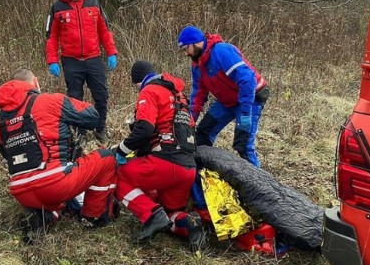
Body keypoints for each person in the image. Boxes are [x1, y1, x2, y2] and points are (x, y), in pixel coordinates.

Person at [0, 68, 118, 243]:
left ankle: (45, 216)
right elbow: (92, 116)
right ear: (35, 82)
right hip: (54, 184)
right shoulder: (48, 101)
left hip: (21, 192)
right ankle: (94, 217)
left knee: (52, 188)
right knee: (106, 158)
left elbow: (5, 153)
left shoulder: (0, 122)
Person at [113, 60, 206, 252]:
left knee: (118, 176)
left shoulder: (149, 91)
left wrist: (121, 151)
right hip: (187, 168)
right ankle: (189, 223)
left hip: (165, 162)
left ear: (139, 81)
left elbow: (144, 129)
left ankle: (151, 214)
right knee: (171, 211)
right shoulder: (180, 96)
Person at [177, 26, 269, 167]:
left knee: (243, 144)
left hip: (251, 97)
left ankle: (259, 184)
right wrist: (190, 120)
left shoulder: (222, 52)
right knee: (203, 134)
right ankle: (206, 171)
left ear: (195, 42)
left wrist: (245, 113)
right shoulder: (197, 65)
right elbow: (198, 93)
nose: (185, 54)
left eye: (185, 49)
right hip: (227, 101)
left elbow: (247, 80)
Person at [45, 0, 118, 144]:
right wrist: (52, 60)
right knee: (75, 99)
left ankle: (100, 129)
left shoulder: (93, 3)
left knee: (101, 96)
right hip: (71, 61)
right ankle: (81, 133)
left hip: (94, 59)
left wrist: (112, 52)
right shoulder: (57, 7)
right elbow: (51, 37)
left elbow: (104, 30)